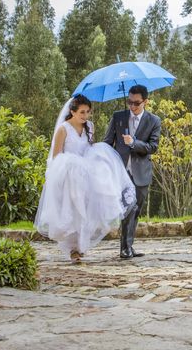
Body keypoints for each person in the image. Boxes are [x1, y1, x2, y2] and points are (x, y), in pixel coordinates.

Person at [34, 94, 136, 263]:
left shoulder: (90, 126)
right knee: (73, 210)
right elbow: (56, 156)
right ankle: (73, 249)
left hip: (87, 174)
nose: (85, 116)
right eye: (82, 112)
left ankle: (81, 246)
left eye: (88, 112)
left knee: (87, 210)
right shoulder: (63, 129)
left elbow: (89, 149)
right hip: (70, 175)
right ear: (72, 112)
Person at [104, 84, 161, 259]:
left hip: (141, 173)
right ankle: (125, 249)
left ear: (145, 101)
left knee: (136, 210)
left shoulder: (154, 121)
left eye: (136, 103)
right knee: (127, 208)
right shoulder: (118, 117)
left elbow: (153, 147)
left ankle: (128, 246)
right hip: (121, 172)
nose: (132, 106)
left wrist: (133, 143)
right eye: (129, 102)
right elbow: (107, 143)